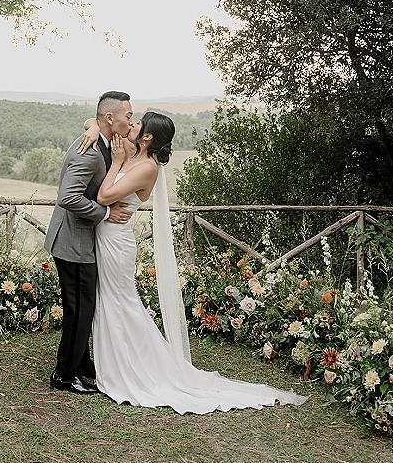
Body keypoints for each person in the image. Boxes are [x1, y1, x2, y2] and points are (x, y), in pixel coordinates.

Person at [83, 110, 307, 414]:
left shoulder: (146, 167)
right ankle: (117, 362)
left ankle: (135, 368)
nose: (131, 125)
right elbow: (98, 122)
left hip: (116, 242)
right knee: (110, 301)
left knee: (121, 302)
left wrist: (119, 163)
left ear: (147, 137)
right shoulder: (133, 151)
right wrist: (92, 128)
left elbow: (105, 195)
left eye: (137, 124)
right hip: (106, 237)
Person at [44, 90, 134, 395]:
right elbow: (67, 198)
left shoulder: (102, 140)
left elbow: (91, 123)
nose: (131, 119)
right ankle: (63, 377)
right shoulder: (91, 151)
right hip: (73, 241)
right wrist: (106, 212)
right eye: (128, 115)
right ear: (111, 118)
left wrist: (92, 125)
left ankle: (82, 366)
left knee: (83, 306)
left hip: (80, 240)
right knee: (80, 309)